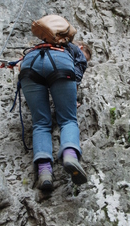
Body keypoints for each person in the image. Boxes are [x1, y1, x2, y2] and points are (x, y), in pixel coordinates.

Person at [19, 40, 92, 191]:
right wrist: (71, 99)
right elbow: (77, 73)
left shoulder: (40, 43)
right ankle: (70, 156)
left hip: (29, 65)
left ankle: (44, 173)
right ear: (81, 47)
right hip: (60, 64)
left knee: (40, 123)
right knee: (68, 120)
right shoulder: (74, 49)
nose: (84, 59)